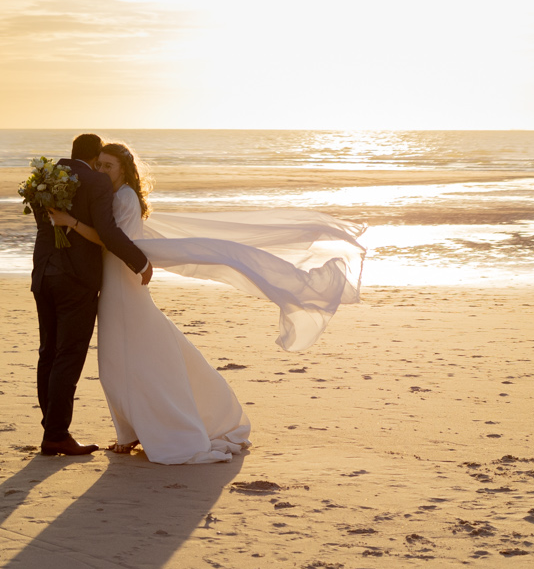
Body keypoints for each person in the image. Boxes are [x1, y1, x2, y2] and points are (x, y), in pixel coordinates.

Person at [49, 140, 366, 464]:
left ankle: (151, 429)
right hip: (115, 278)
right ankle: (131, 432)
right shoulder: (114, 195)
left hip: (121, 280)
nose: (102, 171)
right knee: (120, 360)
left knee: (123, 359)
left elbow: (111, 238)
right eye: (99, 165)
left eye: (108, 166)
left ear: (124, 170)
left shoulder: (125, 197)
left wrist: (69, 222)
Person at [29, 134, 152, 456]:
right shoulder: (95, 181)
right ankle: (56, 435)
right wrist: (139, 261)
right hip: (76, 280)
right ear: (95, 155)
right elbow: (109, 231)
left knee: (48, 353)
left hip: (43, 274)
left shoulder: (44, 176)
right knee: (68, 356)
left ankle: (51, 430)